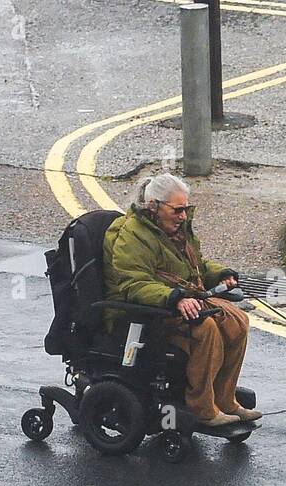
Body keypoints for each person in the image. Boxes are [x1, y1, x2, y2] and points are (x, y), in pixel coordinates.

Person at [102, 173, 262, 427]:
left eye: (186, 209)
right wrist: (174, 299)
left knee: (237, 321)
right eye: (177, 210)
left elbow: (195, 266)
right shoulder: (131, 236)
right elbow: (133, 284)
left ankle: (225, 398)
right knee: (206, 328)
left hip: (177, 302)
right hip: (144, 315)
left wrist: (221, 274)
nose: (183, 216)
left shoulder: (175, 230)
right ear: (154, 206)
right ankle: (202, 408)